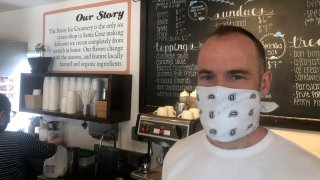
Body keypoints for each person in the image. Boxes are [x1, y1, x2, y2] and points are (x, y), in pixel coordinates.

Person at [162, 26, 320, 180]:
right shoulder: (176, 156)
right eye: (208, 77)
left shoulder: (308, 171)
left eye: (236, 76)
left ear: (264, 83)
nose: (219, 90)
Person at [0, 93, 57, 179]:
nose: (9, 120)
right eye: (9, 114)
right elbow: (49, 151)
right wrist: (54, 142)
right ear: (2, 116)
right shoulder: (17, 139)